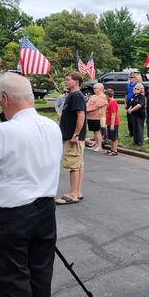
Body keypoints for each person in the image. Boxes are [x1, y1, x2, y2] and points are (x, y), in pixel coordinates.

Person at [0, 72, 62, 297]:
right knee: (38, 274)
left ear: (4, 99)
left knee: (10, 279)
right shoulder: (51, 127)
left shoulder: (1, 133)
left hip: (10, 214)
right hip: (44, 208)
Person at [56, 72, 86, 205]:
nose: (65, 82)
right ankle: (77, 192)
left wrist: (76, 134)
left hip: (73, 137)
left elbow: (81, 115)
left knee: (73, 165)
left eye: (68, 80)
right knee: (78, 164)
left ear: (76, 82)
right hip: (72, 136)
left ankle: (73, 194)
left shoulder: (76, 95)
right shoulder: (73, 95)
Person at [85, 83, 107, 151]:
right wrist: (86, 108)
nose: (94, 89)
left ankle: (99, 146)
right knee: (94, 132)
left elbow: (96, 106)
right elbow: (88, 104)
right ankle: (96, 145)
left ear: (101, 89)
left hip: (98, 117)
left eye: (96, 88)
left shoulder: (103, 96)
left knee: (97, 131)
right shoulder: (93, 96)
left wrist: (87, 109)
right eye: (94, 88)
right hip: (90, 116)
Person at [103, 88, 120, 156]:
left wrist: (112, 124)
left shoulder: (113, 102)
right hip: (109, 122)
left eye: (105, 95)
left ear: (107, 95)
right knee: (111, 137)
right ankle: (112, 149)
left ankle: (115, 151)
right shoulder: (109, 101)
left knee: (114, 137)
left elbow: (113, 114)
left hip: (114, 123)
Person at [125, 72, 139, 136]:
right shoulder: (127, 85)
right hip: (128, 103)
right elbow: (126, 95)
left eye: (132, 77)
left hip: (134, 103)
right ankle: (131, 133)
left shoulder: (137, 85)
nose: (130, 78)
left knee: (134, 118)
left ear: (135, 78)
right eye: (129, 77)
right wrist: (125, 103)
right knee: (129, 119)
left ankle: (135, 132)